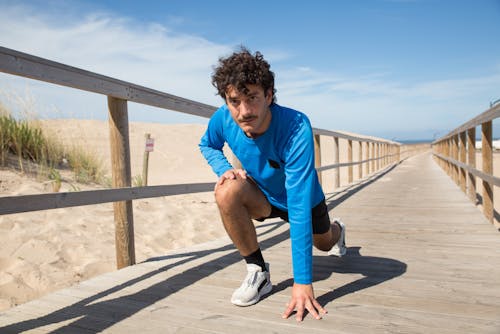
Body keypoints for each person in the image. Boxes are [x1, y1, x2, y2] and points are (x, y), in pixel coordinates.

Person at [199, 47, 346, 322]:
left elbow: (299, 207)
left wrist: (302, 283)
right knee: (226, 189)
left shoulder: (295, 126)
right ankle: (258, 272)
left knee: (324, 244)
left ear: (269, 95)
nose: (243, 111)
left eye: (252, 98)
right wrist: (225, 169)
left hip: (303, 199)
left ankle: (338, 230)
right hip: (264, 196)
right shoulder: (223, 117)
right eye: (234, 101)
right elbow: (207, 144)